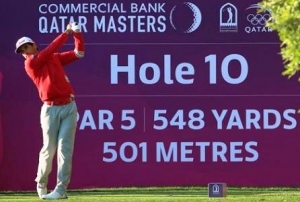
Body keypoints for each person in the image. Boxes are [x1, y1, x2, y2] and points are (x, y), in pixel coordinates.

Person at [15, 22, 84, 200]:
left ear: (34, 45)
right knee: (49, 149)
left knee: (65, 150)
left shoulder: (53, 58)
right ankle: (41, 183)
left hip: (69, 106)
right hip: (50, 109)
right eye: (22, 50)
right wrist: (66, 33)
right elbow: (49, 50)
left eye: (27, 46)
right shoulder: (31, 64)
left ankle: (61, 189)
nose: (25, 51)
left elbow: (79, 53)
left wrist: (77, 34)